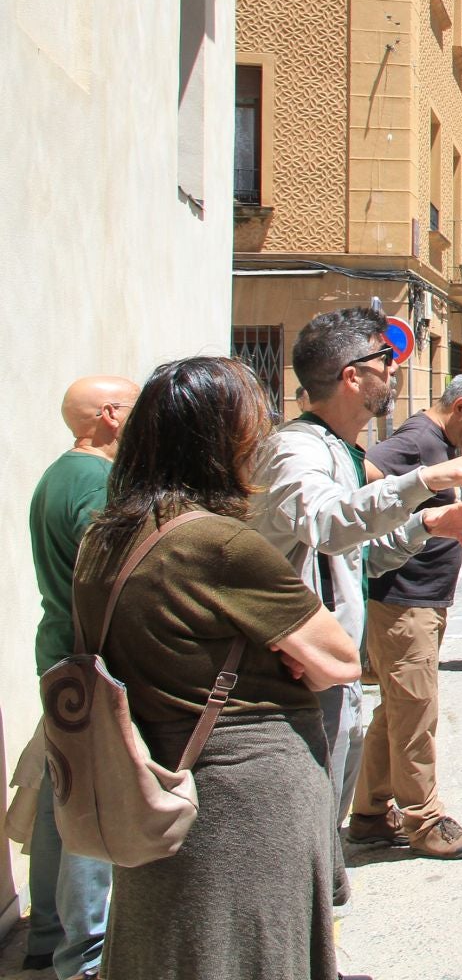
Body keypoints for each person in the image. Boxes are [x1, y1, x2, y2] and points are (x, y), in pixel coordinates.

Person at [70, 357, 363, 980]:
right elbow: (338, 659)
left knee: (167, 953)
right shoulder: (219, 543)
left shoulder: (104, 536)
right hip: (243, 795)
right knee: (251, 956)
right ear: (223, 442)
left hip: (151, 783)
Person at [251, 309, 462, 895]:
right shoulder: (298, 451)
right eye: (384, 362)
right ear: (351, 375)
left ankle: (318, 930)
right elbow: (327, 524)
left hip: (326, 663)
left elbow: (361, 553)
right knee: (302, 814)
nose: (395, 371)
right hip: (294, 667)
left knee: (327, 802)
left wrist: (426, 526)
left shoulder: (341, 448)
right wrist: (426, 483)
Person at [351, 370, 462, 860]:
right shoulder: (418, 439)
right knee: (417, 713)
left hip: (421, 601)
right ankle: (425, 820)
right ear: (460, 407)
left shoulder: (439, 442)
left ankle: (370, 814)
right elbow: (364, 475)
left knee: (398, 710)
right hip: (403, 601)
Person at [24, 377, 134, 979]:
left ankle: (47, 933)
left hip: (60, 654)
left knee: (58, 795)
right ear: (113, 416)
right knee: (90, 805)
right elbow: (112, 577)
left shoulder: (57, 474)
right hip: (87, 662)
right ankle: (84, 957)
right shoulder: (94, 483)